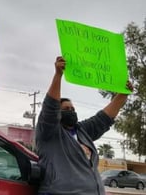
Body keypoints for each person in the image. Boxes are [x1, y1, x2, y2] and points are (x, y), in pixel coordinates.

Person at [35, 56, 133, 195]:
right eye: (66, 109)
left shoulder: (82, 131)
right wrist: (58, 75)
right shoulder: (49, 132)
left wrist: (123, 95)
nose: (71, 111)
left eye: (73, 109)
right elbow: (50, 107)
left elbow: (103, 119)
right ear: (58, 112)